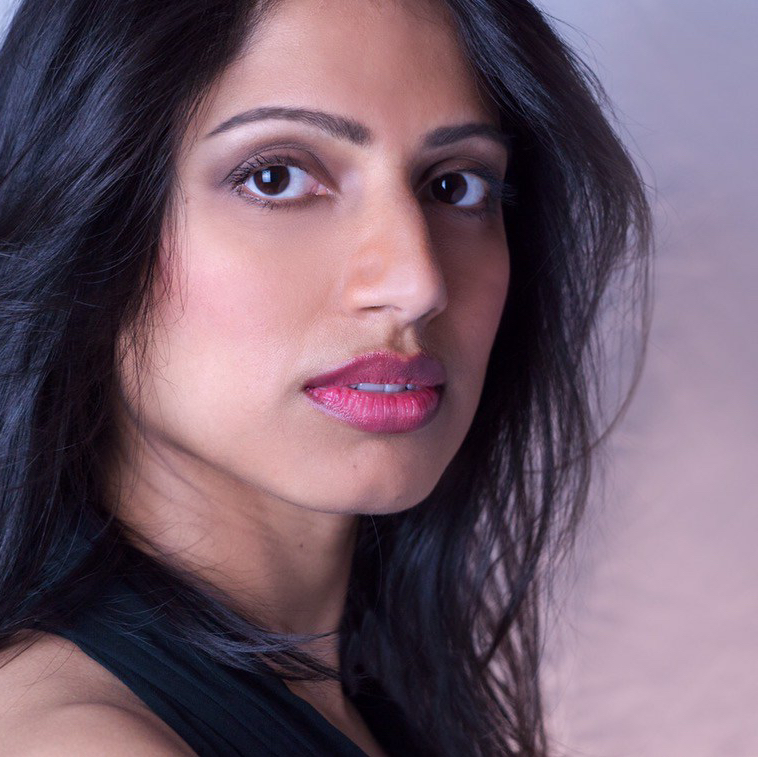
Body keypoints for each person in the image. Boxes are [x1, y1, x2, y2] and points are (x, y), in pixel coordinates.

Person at [0, 0, 652, 754]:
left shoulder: (363, 697)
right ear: (83, 214)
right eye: (276, 178)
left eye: (456, 186)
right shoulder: (81, 739)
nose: (417, 281)